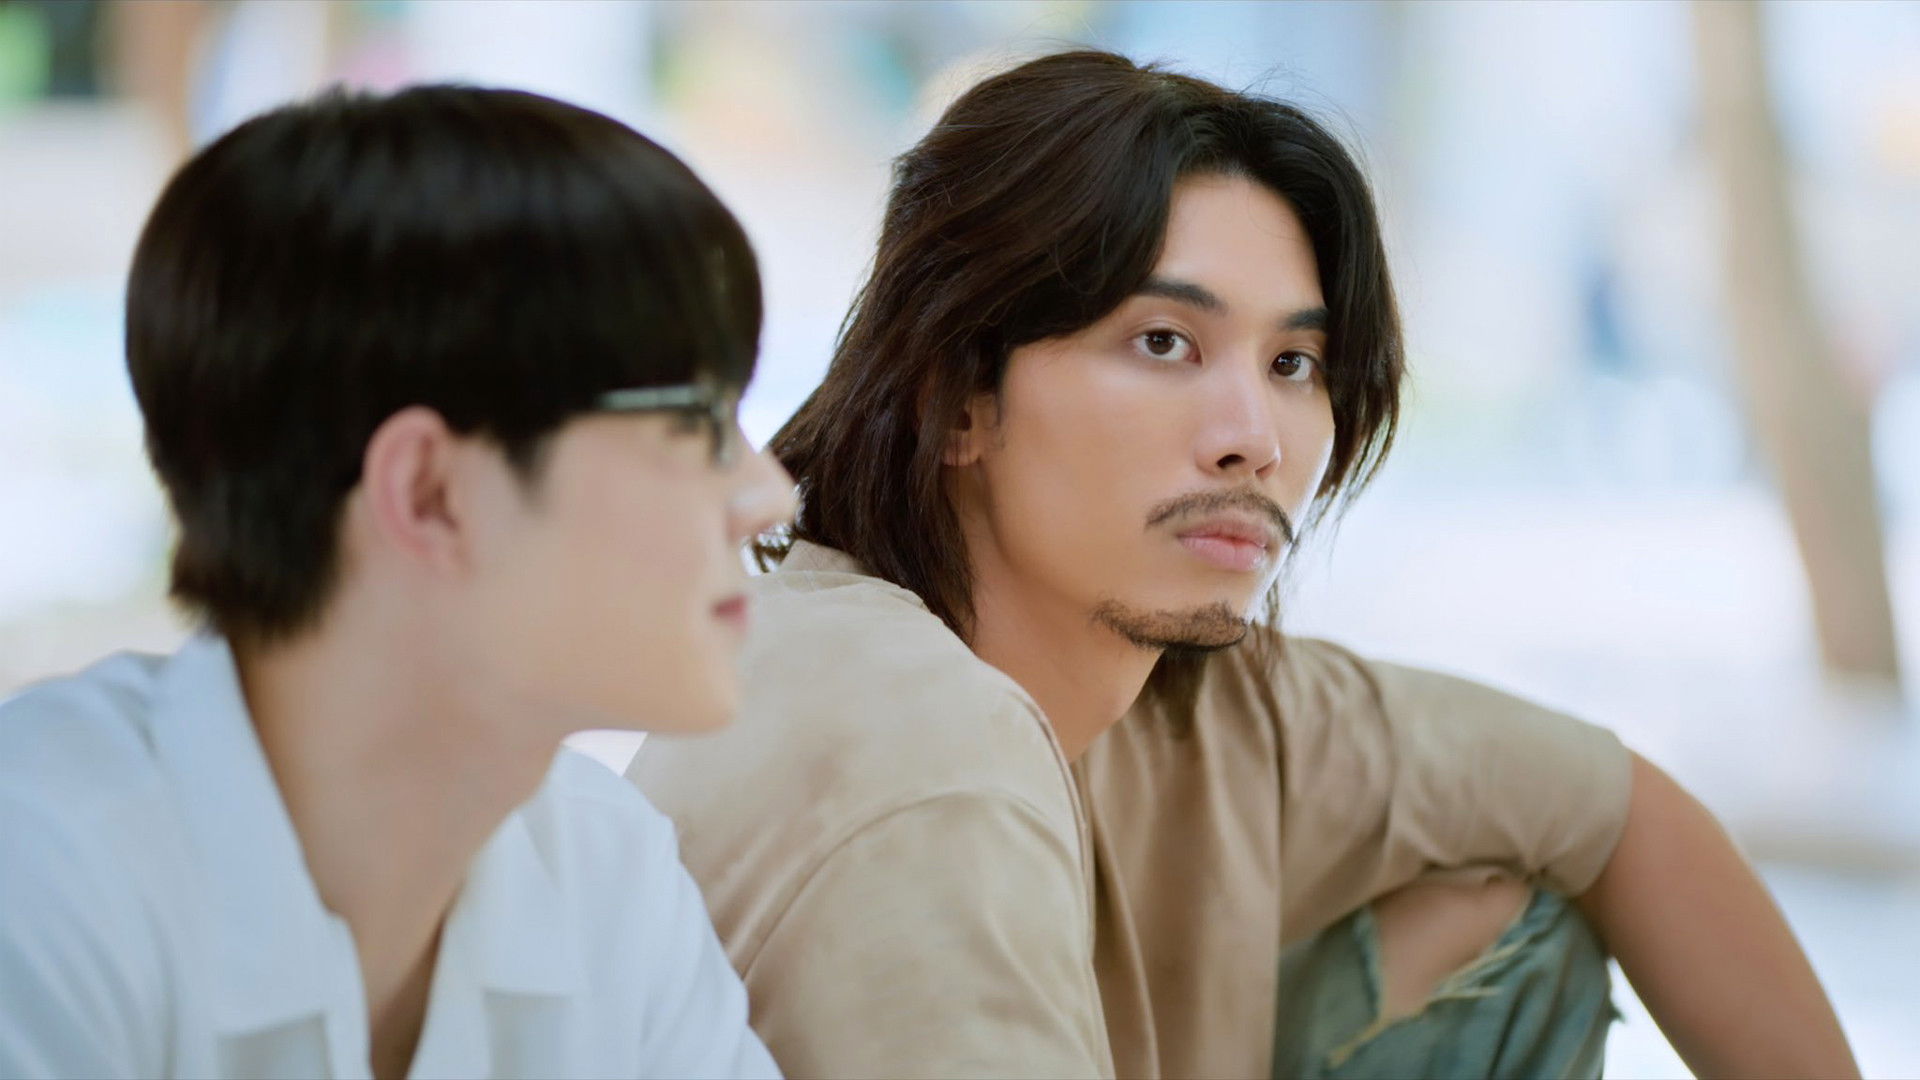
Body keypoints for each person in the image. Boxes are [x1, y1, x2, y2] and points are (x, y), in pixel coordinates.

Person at [630, 50, 1858, 1079]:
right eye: (1164, 342)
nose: (1254, 439)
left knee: (1498, 927)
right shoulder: (912, 741)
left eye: (1292, 365)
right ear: (959, 399)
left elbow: (1621, 813)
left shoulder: (1197, 699)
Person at [0, 85, 794, 1080]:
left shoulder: (608, 877)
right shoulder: (38, 891)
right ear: (429, 494)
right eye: (698, 421)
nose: (768, 493)